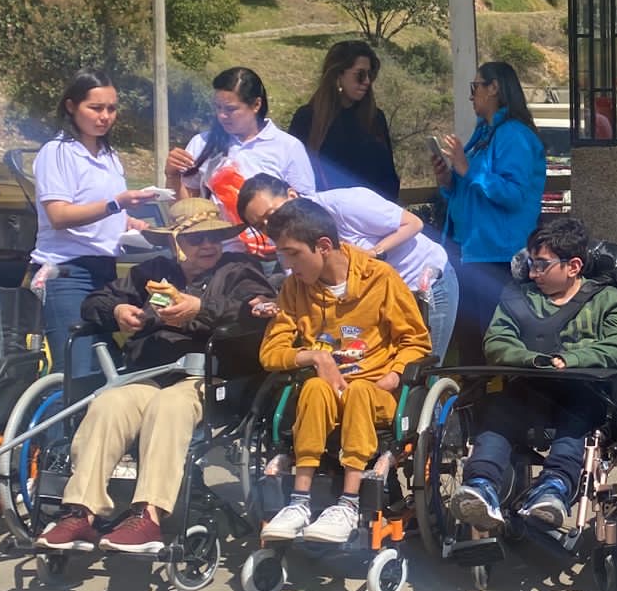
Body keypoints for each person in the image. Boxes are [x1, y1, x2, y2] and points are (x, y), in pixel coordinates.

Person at [35, 199, 274, 555]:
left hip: (210, 377)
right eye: (196, 239)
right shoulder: (152, 271)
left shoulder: (240, 270)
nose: (207, 245)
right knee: (109, 403)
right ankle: (80, 512)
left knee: (169, 405)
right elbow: (94, 303)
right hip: (150, 372)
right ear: (174, 242)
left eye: (213, 237)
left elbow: (262, 311)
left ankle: (148, 515)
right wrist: (117, 310)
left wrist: (203, 310)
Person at [258, 199, 433, 543]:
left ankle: (349, 503)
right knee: (312, 389)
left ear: (323, 246)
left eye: (292, 254)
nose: (288, 266)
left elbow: (416, 341)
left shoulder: (380, 278)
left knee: (358, 391)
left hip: (375, 391)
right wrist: (314, 357)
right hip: (325, 394)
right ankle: (299, 501)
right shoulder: (294, 289)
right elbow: (271, 352)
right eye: (282, 256)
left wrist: (395, 375)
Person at [449, 217, 617, 532]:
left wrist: (572, 359)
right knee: (498, 416)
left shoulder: (607, 300)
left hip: (583, 394)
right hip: (526, 388)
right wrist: (535, 360)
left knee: (577, 421)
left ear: (573, 266)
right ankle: (480, 486)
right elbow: (497, 341)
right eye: (532, 264)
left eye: (542, 265)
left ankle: (554, 489)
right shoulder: (517, 297)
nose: (533, 273)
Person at [236, 173, 459, 365]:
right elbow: (304, 285)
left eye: (271, 215)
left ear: (292, 195)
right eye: (260, 226)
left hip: (423, 281)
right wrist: (276, 305)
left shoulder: (345, 203)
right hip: (372, 301)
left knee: (420, 372)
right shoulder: (286, 243)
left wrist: (371, 254)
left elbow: (413, 224)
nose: (269, 226)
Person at [30, 71, 157, 376]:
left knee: (108, 371)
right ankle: (55, 425)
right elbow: (59, 216)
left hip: (106, 272)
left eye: (111, 109)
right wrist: (117, 203)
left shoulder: (109, 155)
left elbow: (102, 212)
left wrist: (130, 222)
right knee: (76, 373)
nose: (105, 117)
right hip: (67, 273)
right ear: (72, 106)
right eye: (96, 108)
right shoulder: (57, 152)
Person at [432, 61, 546, 363]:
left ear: (494, 88)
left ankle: (496, 405)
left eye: (475, 86)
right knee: (470, 343)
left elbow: (514, 194)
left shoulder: (514, 135)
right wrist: (448, 180)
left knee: (496, 343)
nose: (472, 96)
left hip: (498, 256)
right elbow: (468, 190)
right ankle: (474, 405)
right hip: (471, 252)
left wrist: (466, 169)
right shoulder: (484, 134)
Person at [164, 67, 315, 247]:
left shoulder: (288, 147)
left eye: (230, 109)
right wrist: (172, 176)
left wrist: (280, 243)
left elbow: (306, 208)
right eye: (218, 107)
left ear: (256, 105)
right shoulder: (202, 144)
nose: (221, 115)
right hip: (216, 253)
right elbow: (186, 209)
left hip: (273, 254)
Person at [288, 40, 401, 201]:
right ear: (338, 75)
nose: (367, 81)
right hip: (324, 217)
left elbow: (389, 177)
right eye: (360, 75)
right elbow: (295, 176)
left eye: (370, 74)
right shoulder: (307, 118)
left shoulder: (375, 118)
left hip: (372, 217)